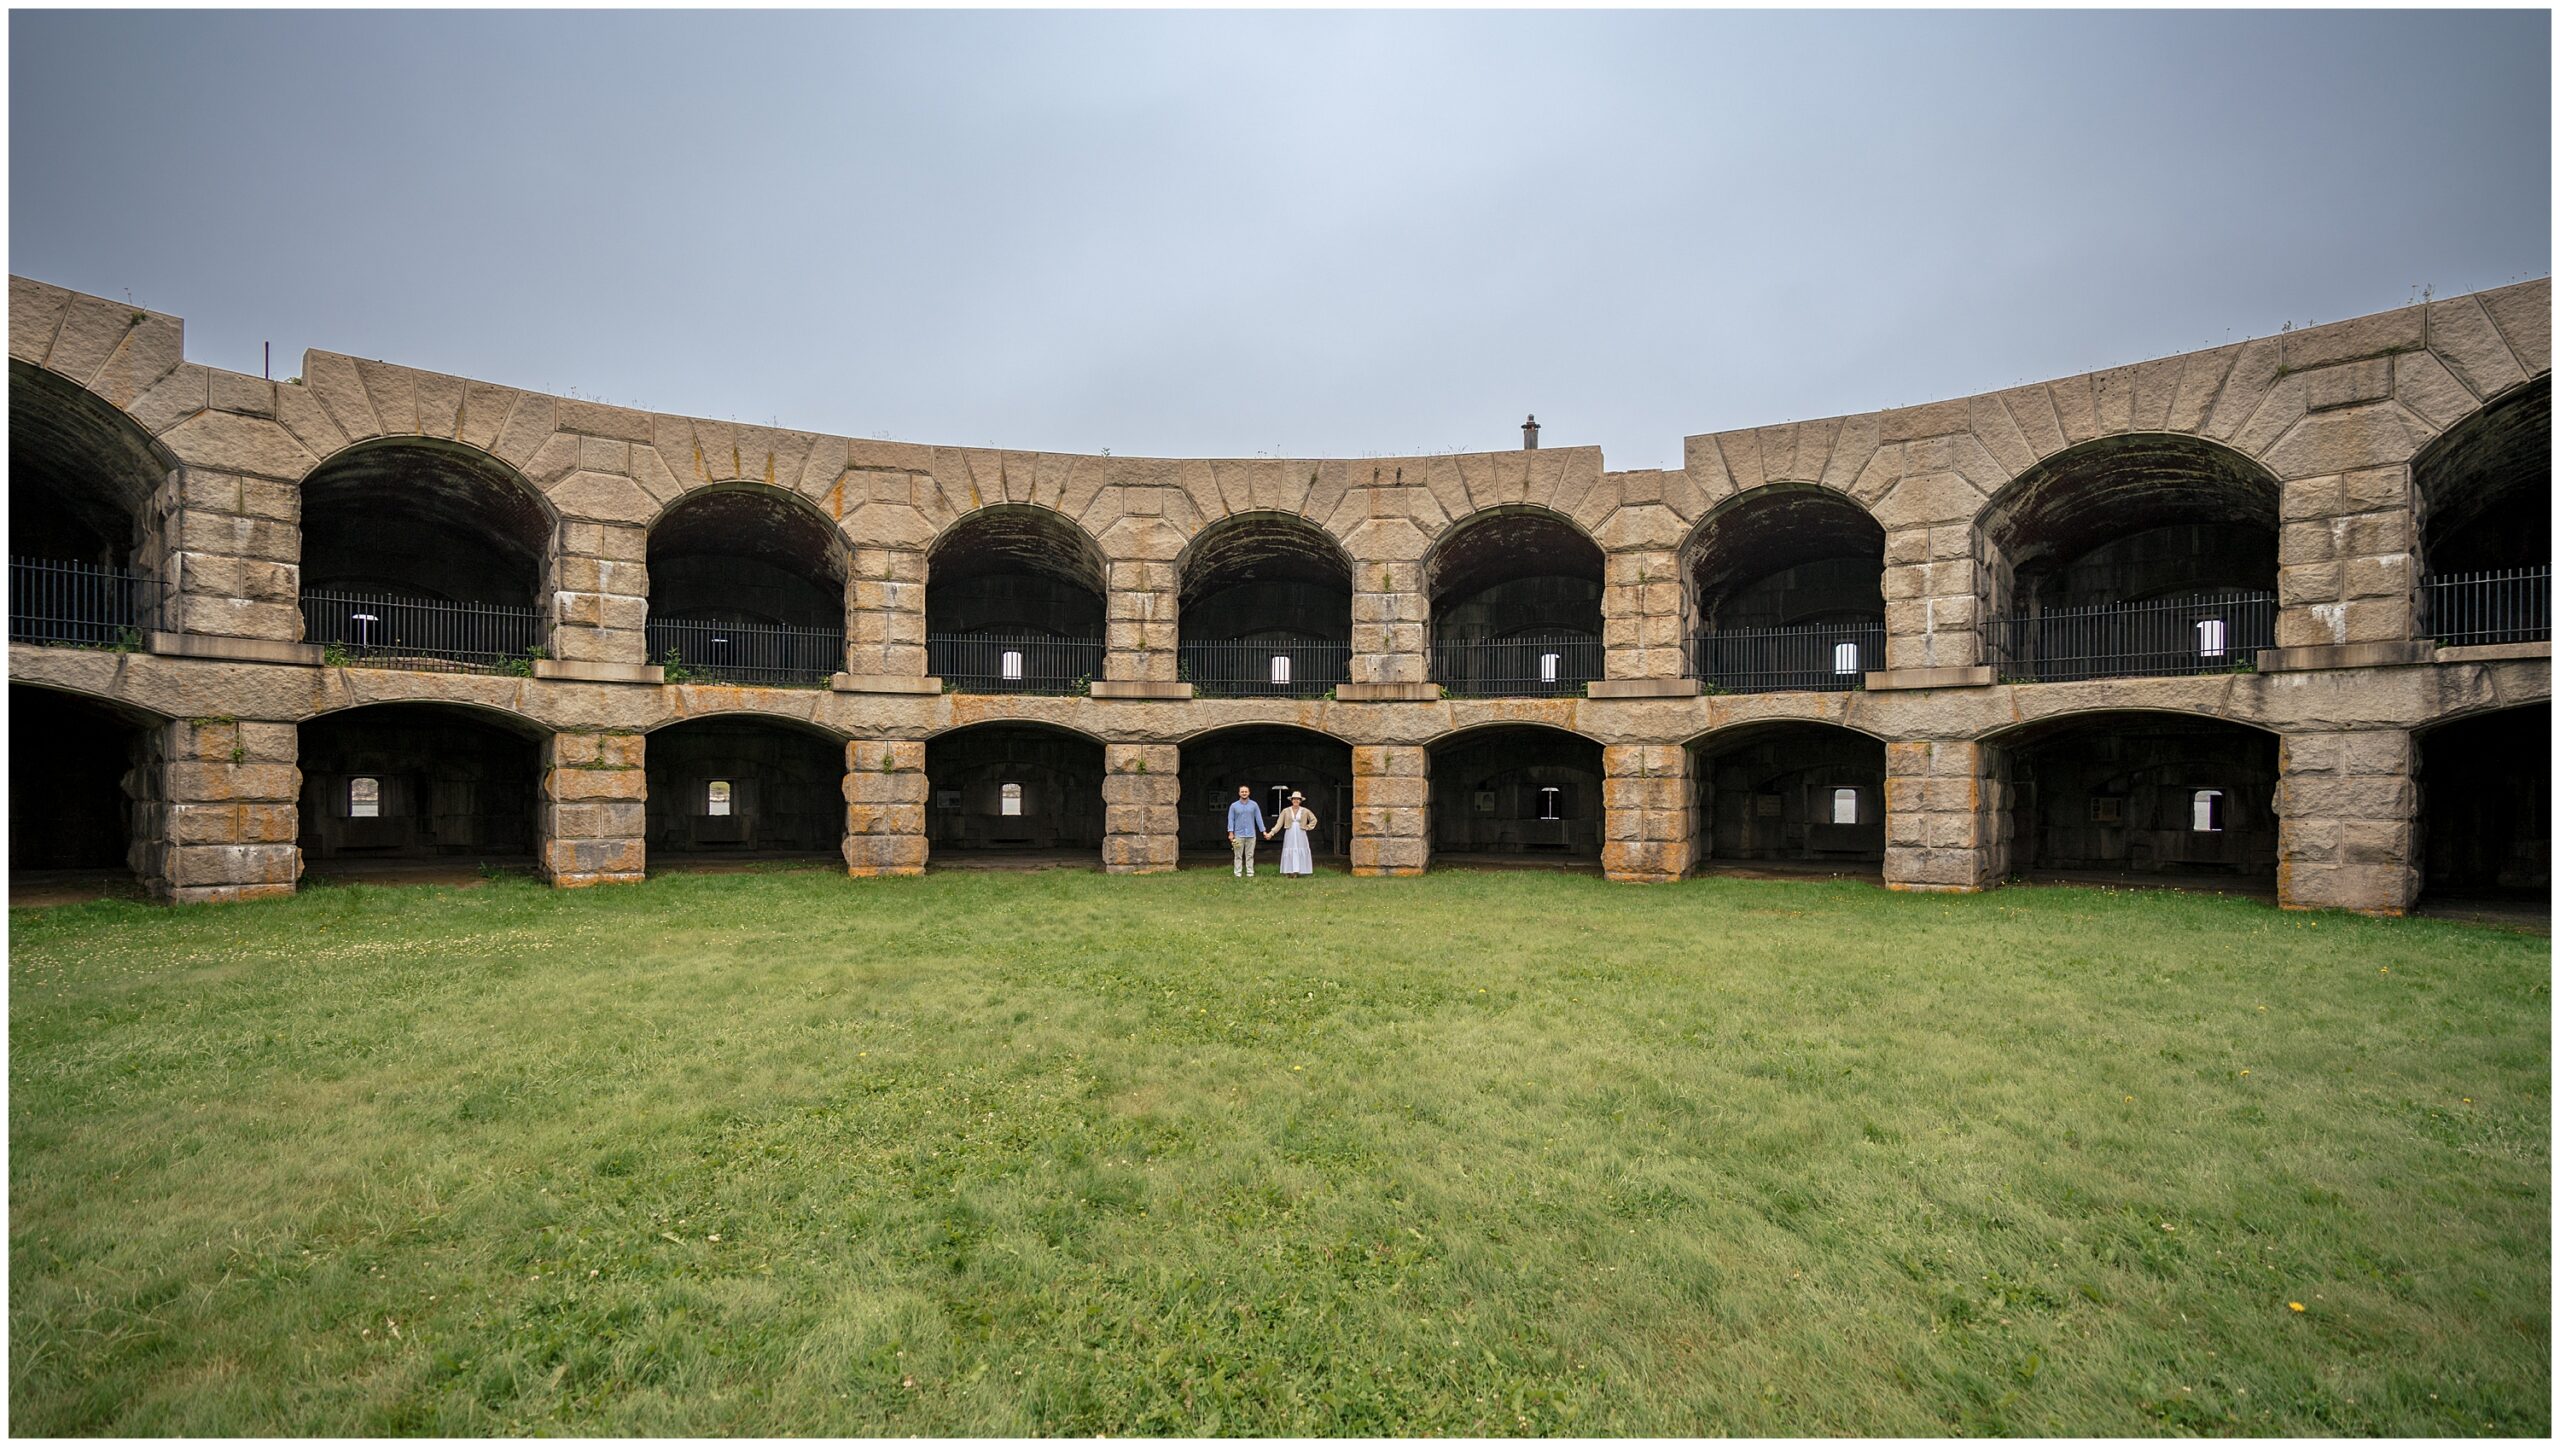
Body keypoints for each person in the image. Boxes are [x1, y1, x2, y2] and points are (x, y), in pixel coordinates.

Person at [1270, 790, 1318, 877]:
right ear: (1291, 800)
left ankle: (1299, 870)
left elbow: (1314, 819)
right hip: (1290, 832)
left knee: (1300, 848)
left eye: (1298, 799)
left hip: (1301, 833)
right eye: (1294, 799)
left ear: (1300, 801)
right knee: (1290, 848)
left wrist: (1307, 827)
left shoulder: (1305, 811)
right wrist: (1271, 833)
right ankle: (1290, 870)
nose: (1296, 801)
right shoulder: (1285, 811)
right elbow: (1279, 823)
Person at [1225, 784, 1268, 878]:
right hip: (1238, 835)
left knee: (1250, 855)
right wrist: (1230, 832)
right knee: (1238, 855)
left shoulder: (1254, 805)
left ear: (1249, 793)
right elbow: (1231, 819)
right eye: (1242, 792)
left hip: (1251, 834)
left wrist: (1263, 831)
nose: (1244, 793)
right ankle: (1237, 873)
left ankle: (1250, 873)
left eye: (1246, 792)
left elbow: (1258, 818)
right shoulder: (1234, 806)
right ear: (1239, 793)